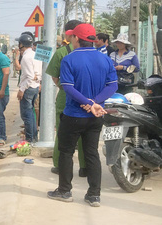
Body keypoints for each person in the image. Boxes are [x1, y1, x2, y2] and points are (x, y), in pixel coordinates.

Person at [48, 23, 117, 207]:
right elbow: (113, 85)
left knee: (66, 152)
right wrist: (95, 102)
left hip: (73, 114)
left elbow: (68, 88)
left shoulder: (69, 59)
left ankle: (64, 191)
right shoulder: (105, 59)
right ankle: (94, 195)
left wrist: (87, 103)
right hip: (96, 116)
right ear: (93, 39)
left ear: (76, 38)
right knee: (92, 153)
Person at [46, 20, 86, 176]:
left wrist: (63, 87)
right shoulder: (93, 53)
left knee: (63, 132)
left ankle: (59, 166)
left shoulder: (61, 52)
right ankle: (85, 167)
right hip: (87, 96)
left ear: (70, 34)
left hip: (66, 96)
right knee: (85, 134)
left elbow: (54, 77)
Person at [16, 31, 42, 143]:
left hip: (28, 88)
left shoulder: (26, 57)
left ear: (22, 44)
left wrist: (22, 90)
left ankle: (30, 139)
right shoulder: (35, 54)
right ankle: (34, 137)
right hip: (35, 87)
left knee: (26, 115)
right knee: (31, 114)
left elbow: (29, 76)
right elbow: (37, 74)